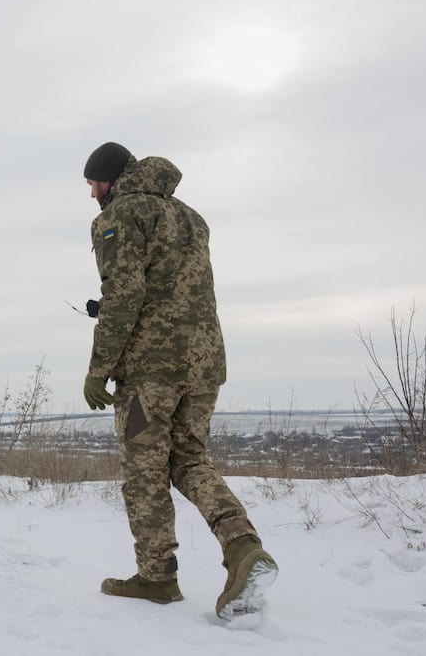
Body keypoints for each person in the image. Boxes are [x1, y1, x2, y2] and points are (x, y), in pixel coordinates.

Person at [80, 141, 277, 619]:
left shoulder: (119, 216)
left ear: (109, 179)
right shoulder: (190, 216)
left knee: (144, 473)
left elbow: (125, 293)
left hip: (151, 372)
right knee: (190, 460)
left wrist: (98, 368)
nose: (91, 194)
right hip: (204, 365)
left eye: (92, 184)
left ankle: (156, 577)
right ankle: (242, 546)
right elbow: (170, 289)